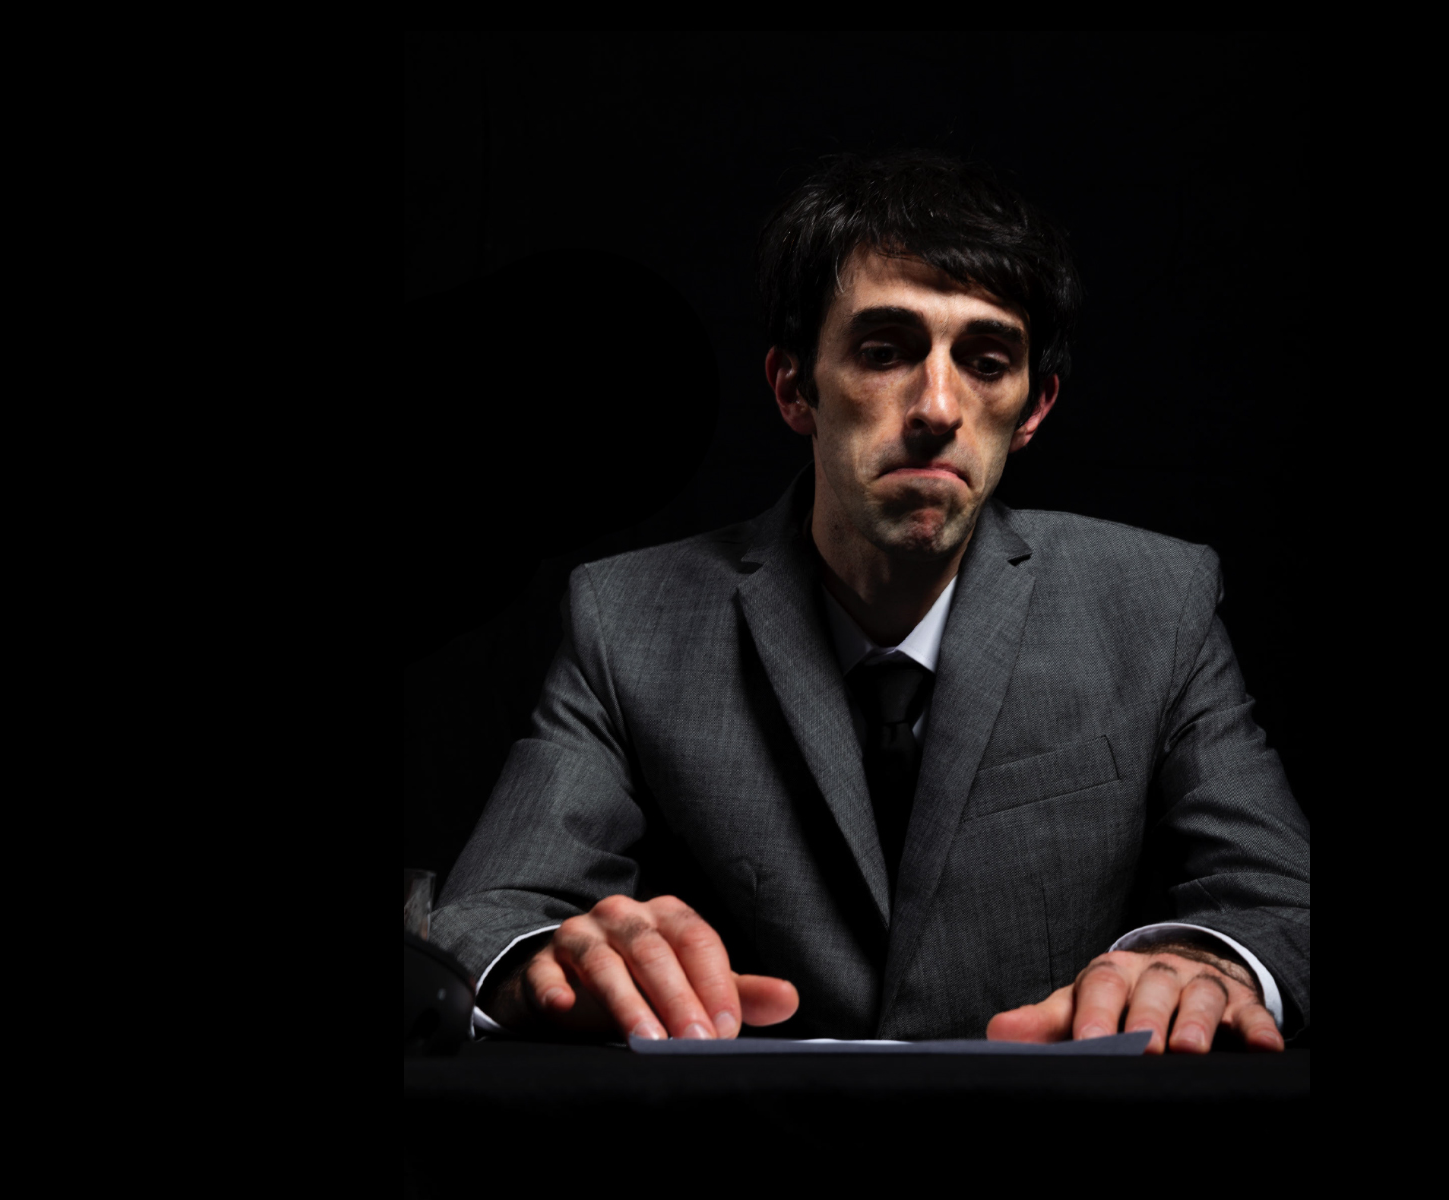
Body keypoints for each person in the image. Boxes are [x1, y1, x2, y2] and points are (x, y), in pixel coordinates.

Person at [429, 151, 1309, 1052]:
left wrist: (1214, 962)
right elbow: (488, 915)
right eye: (884, 352)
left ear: (1034, 408)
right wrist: (551, 963)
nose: (937, 407)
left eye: (986, 361)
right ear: (794, 388)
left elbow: (1285, 902)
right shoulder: (626, 618)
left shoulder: (1156, 602)